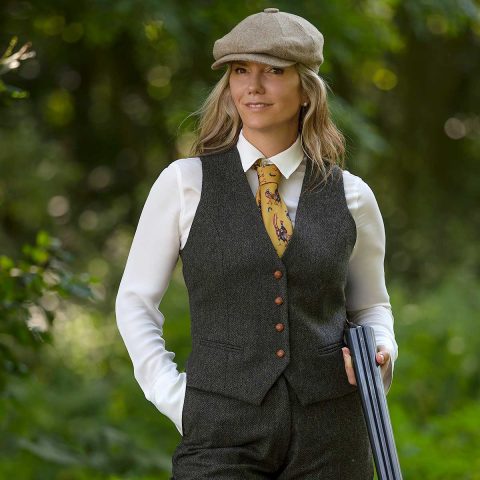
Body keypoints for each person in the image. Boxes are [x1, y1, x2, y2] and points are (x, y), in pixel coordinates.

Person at [115, 7, 398, 479]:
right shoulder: (185, 184)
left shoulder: (352, 196)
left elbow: (371, 306)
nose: (253, 86)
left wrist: (381, 354)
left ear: (306, 89)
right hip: (219, 431)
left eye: (274, 71)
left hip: (333, 432)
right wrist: (177, 400)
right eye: (241, 71)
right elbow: (135, 302)